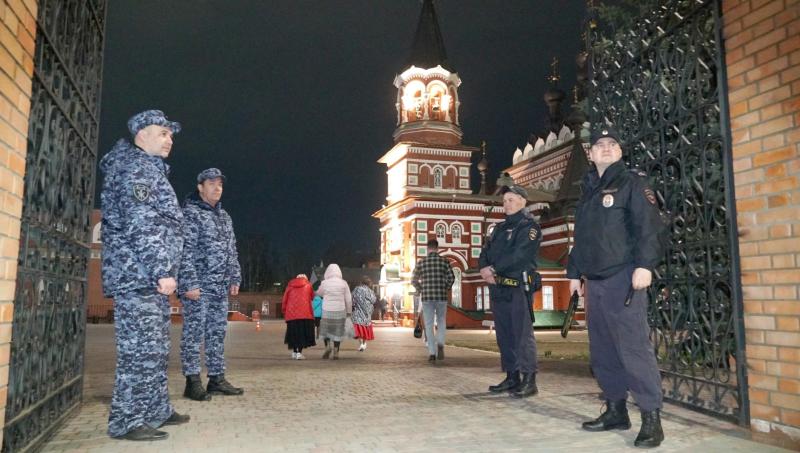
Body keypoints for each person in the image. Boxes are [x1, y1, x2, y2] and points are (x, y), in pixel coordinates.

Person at [567, 127, 668, 448]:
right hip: (594, 282)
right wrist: (574, 272)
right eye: (600, 145)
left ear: (620, 151)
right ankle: (615, 409)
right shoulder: (588, 189)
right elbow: (582, 237)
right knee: (603, 349)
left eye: (613, 144)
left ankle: (652, 417)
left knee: (633, 348)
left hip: (623, 277)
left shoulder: (631, 182)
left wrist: (645, 265)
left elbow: (649, 226)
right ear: (591, 153)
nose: (606, 148)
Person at [100, 109, 189, 441]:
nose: (169, 139)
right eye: (163, 133)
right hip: (137, 276)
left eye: (171, 134)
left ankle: (155, 409)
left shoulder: (150, 170)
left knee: (155, 348)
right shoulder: (135, 169)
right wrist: (162, 270)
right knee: (138, 350)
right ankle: (126, 419)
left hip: (146, 278)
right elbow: (141, 226)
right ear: (142, 134)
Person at [178, 168, 244, 401]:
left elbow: (231, 249)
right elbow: (184, 251)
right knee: (194, 334)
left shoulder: (225, 217)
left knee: (217, 333)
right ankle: (192, 381)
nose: (217, 188)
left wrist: (234, 276)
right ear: (200, 187)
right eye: (212, 184)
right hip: (198, 286)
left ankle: (216, 378)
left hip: (219, 286)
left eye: (220, 185)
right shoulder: (191, 213)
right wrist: (189, 282)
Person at [478, 185, 541, 398]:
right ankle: (512, 377)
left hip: (518, 287)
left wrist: (493, 268)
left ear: (523, 202)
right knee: (504, 334)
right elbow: (485, 251)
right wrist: (483, 268)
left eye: (511, 200)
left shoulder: (529, 227)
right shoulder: (498, 229)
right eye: (505, 200)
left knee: (522, 334)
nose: (507, 204)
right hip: (498, 288)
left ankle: (529, 379)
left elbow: (520, 254)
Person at [411, 239, 455, 363]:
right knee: (441, 321)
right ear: (437, 248)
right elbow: (452, 278)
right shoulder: (444, 261)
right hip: (441, 297)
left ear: (427, 248)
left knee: (429, 325)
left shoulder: (421, 263)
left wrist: (421, 289)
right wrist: (445, 287)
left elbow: (413, 280)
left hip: (427, 298)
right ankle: (440, 343)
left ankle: (432, 352)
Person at [316, 264, 352, 360]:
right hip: (340, 310)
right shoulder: (344, 283)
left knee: (326, 330)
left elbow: (319, 293)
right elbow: (348, 299)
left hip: (327, 310)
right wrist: (349, 311)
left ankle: (327, 346)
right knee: (337, 331)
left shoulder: (324, 283)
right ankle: (336, 351)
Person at [281, 274, 316, 359]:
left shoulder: (289, 286)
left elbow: (285, 299)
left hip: (291, 314)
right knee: (302, 334)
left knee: (293, 333)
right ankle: (299, 353)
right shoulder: (308, 285)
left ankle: (294, 352)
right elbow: (313, 297)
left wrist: (284, 311)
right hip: (304, 313)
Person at [351, 277, 376, 351]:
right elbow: (374, 300)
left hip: (358, 311)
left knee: (359, 328)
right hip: (367, 312)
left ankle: (361, 343)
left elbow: (352, 299)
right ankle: (364, 343)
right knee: (366, 327)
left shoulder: (356, 289)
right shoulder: (370, 291)